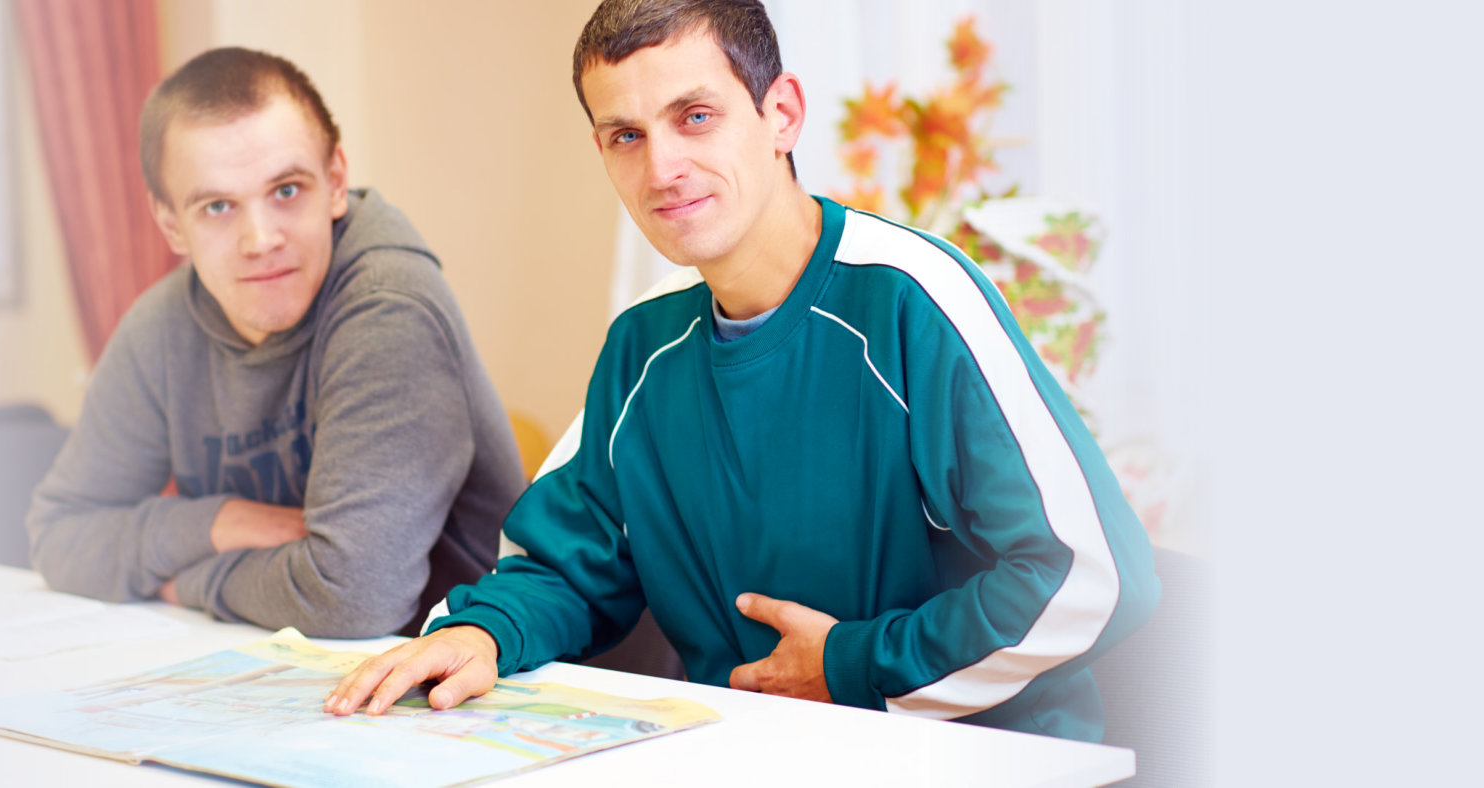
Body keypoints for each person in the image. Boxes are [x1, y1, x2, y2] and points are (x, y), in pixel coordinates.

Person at [327, 0, 1159, 741]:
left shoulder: (914, 300)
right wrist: (483, 633)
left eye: (695, 117)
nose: (661, 169)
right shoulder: (645, 338)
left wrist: (852, 663)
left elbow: (1093, 581)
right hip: (749, 753)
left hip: (976, 759)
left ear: (781, 114)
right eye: (627, 136)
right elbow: (565, 561)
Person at [26, 48, 524, 638]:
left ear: (336, 182)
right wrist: (219, 523)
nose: (260, 240)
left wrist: (184, 582)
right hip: (289, 681)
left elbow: (354, 601)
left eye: (286, 191)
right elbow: (59, 538)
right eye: (217, 207)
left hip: (462, 692)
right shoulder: (159, 329)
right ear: (170, 226)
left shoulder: (390, 306)